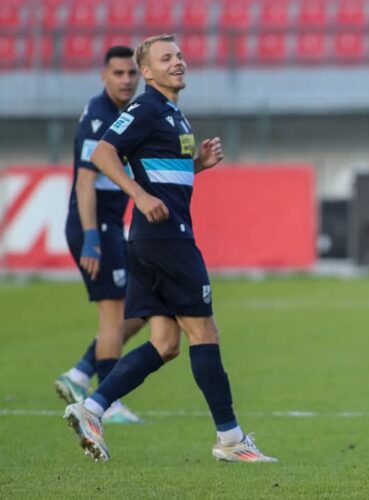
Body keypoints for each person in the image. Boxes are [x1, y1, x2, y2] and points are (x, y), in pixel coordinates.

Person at [62, 34, 276, 464]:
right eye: (166, 58)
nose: (178, 62)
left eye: (178, 55)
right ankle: (230, 438)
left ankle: (92, 407)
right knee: (204, 332)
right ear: (147, 71)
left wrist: (199, 165)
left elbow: (160, 172)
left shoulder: (172, 114)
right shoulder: (146, 108)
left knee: (164, 343)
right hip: (166, 239)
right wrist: (139, 196)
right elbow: (103, 154)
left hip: (154, 240)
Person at [56, 46, 146, 424]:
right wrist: (91, 237)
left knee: (139, 310)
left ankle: (80, 373)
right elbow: (85, 183)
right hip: (96, 227)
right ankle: (107, 403)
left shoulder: (127, 114)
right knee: (115, 314)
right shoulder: (99, 117)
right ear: (104, 76)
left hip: (110, 226)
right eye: (118, 73)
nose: (126, 80)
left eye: (131, 73)